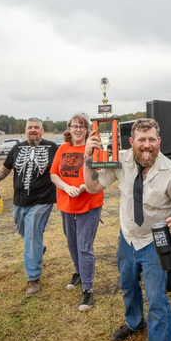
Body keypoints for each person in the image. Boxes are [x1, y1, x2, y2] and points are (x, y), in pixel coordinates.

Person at [83, 118, 171, 341]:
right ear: (131, 142)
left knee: (157, 303)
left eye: (152, 140)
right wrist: (88, 159)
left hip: (155, 242)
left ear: (159, 141)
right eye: (141, 140)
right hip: (127, 237)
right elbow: (93, 186)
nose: (147, 146)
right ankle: (134, 323)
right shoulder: (120, 160)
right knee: (128, 285)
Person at [0, 117, 58, 296]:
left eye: (37, 127)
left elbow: (63, 167)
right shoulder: (16, 148)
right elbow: (6, 167)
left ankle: (33, 278)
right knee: (26, 233)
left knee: (32, 233)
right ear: (25, 130)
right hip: (19, 202)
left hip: (42, 201)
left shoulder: (52, 148)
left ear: (42, 131)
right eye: (30, 127)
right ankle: (38, 247)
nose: (33, 130)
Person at [50, 112, 104, 312]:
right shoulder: (63, 148)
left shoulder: (93, 149)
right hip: (66, 203)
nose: (78, 129)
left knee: (84, 246)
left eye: (82, 126)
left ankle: (88, 290)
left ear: (87, 129)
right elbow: (54, 174)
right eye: (75, 126)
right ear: (69, 128)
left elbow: (100, 174)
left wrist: (83, 187)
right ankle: (79, 272)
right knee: (72, 243)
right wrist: (65, 187)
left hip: (89, 201)